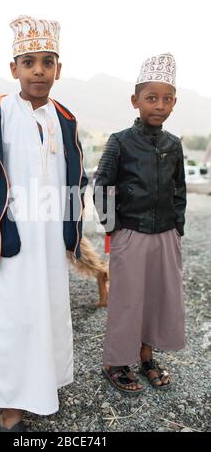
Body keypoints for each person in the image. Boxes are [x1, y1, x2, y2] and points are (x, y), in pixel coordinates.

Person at [0, 15, 88, 431]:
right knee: (15, 315)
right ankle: (11, 404)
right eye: (29, 61)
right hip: (14, 234)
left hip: (51, 236)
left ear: (59, 69)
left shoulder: (65, 119)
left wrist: (71, 226)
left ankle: (46, 385)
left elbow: (76, 176)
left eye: (47, 62)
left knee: (51, 308)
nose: (39, 70)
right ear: (13, 67)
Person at [94, 53, 186, 394]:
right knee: (127, 300)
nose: (158, 105)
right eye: (151, 98)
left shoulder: (173, 145)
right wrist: (111, 229)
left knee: (156, 298)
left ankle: (146, 355)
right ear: (135, 101)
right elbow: (101, 186)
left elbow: (179, 190)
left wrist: (178, 228)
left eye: (166, 99)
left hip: (165, 234)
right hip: (129, 233)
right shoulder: (120, 141)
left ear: (174, 103)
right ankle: (115, 361)